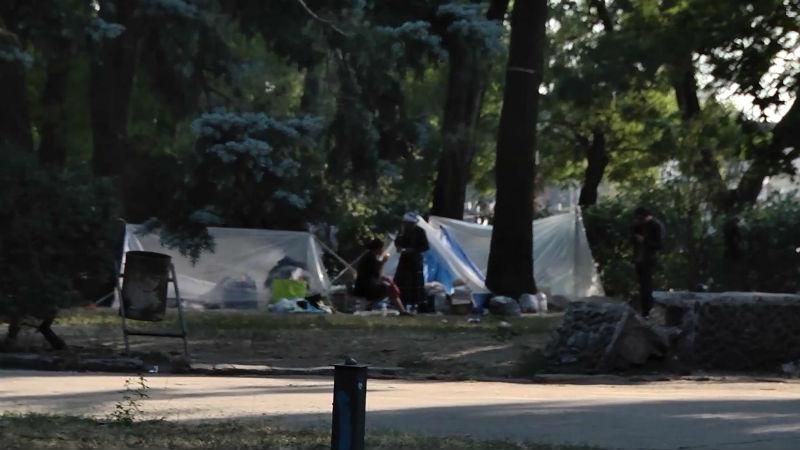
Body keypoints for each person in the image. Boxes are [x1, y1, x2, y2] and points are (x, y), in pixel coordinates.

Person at [353, 239, 409, 314]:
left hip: (364, 285)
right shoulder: (371, 258)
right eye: (381, 248)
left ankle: (402, 310)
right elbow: (377, 275)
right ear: (377, 248)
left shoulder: (370, 256)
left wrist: (384, 278)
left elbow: (374, 274)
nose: (382, 250)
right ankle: (402, 311)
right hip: (365, 288)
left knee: (389, 284)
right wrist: (383, 262)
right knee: (390, 288)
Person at [631, 206, 664, 318]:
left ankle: (648, 311)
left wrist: (644, 241)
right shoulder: (638, 226)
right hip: (639, 259)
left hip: (649, 259)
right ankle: (644, 311)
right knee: (642, 286)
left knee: (647, 286)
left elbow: (658, 245)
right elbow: (633, 240)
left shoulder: (656, 226)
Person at [393, 213, 430, 311]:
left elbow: (425, 246)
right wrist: (400, 247)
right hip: (404, 260)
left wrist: (413, 250)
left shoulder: (420, 232)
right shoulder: (402, 232)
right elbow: (397, 242)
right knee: (402, 282)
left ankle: (416, 304)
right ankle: (402, 303)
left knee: (415, 283)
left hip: (415, 260)